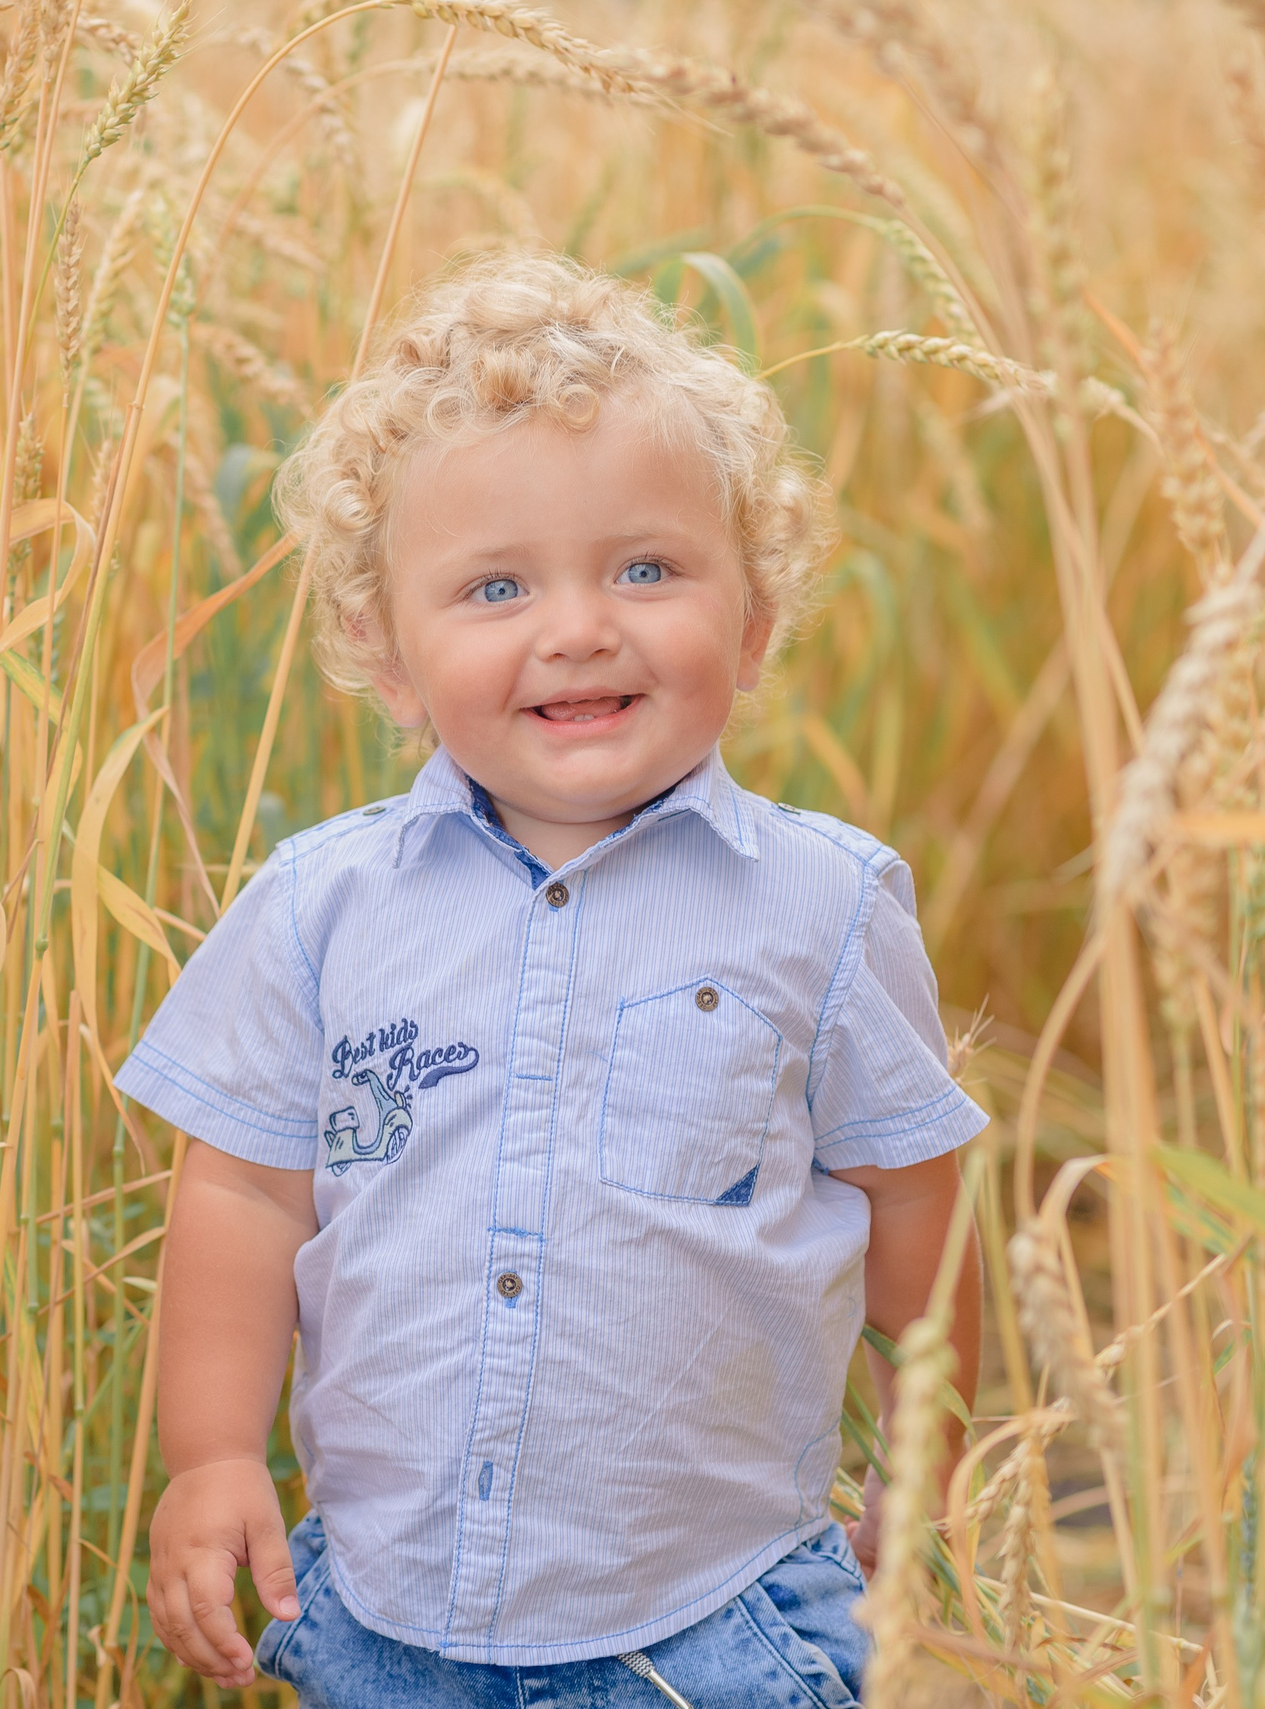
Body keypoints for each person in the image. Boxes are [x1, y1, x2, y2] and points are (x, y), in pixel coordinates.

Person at [114, 250, 986, 1707]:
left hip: (715, 1620)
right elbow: (245, 1191)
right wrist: (210, 1455)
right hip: (390, 1614)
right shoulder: (322, 909)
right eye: (497, 585)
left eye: (646, 568)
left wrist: (925, 1458)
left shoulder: (822, 906)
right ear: (389, 658)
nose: (579, 626)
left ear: (754, 614)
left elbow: (908, 1188)